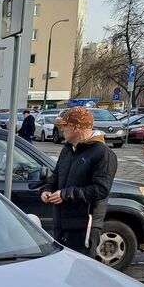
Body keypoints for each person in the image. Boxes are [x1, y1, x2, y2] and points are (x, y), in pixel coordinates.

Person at [40, 107, 118, 258]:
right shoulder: (67, 150)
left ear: (76, 127)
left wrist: (65, 195)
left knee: (79, 269)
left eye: (64, 125)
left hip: (83, 228)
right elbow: (56, 176)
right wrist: (47, 189)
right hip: (61, 224)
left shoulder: (103, 154)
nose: (61, 129)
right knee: (61, 266)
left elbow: (101, 190)